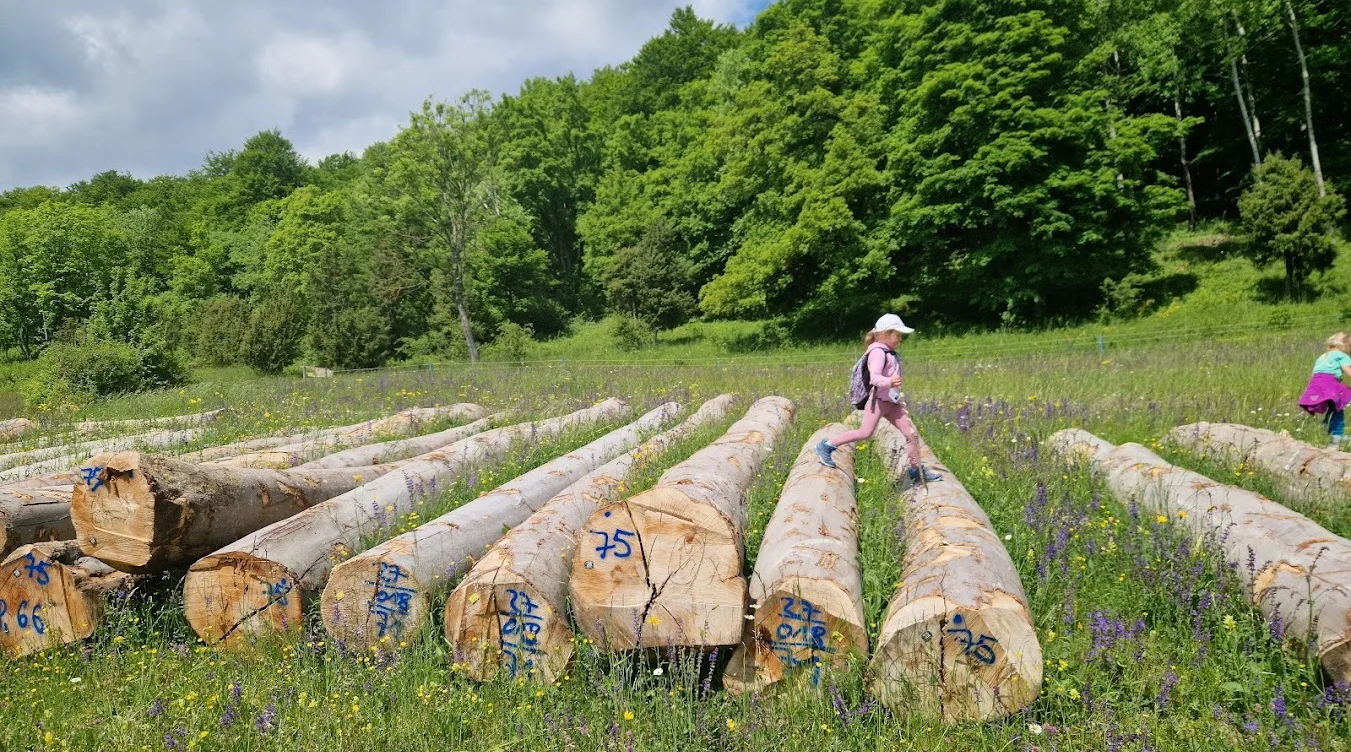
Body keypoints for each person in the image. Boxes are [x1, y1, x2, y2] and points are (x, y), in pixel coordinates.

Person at [816, 314, 941, 484]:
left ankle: (916, 471)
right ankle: (827, 445)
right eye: (897, 335)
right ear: (885, 334)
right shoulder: (877, 353)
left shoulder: (889, 352)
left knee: (911, 434)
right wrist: (889, 381)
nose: (900, 339)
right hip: (878, 402)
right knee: (865, 433)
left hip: (892, 402)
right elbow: (874, 378)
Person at [1298, 332, 1351, 448]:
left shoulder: (1322, 356)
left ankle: (1329, 427)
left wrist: (1311, 390)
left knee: (1333, 408)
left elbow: (1313, 374)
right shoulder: (1342, 356)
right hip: (1330, 383)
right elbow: (1347, 369)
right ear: (1345, 345)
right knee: (1338, 408)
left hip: (1317, 384)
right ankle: (1337, 435)